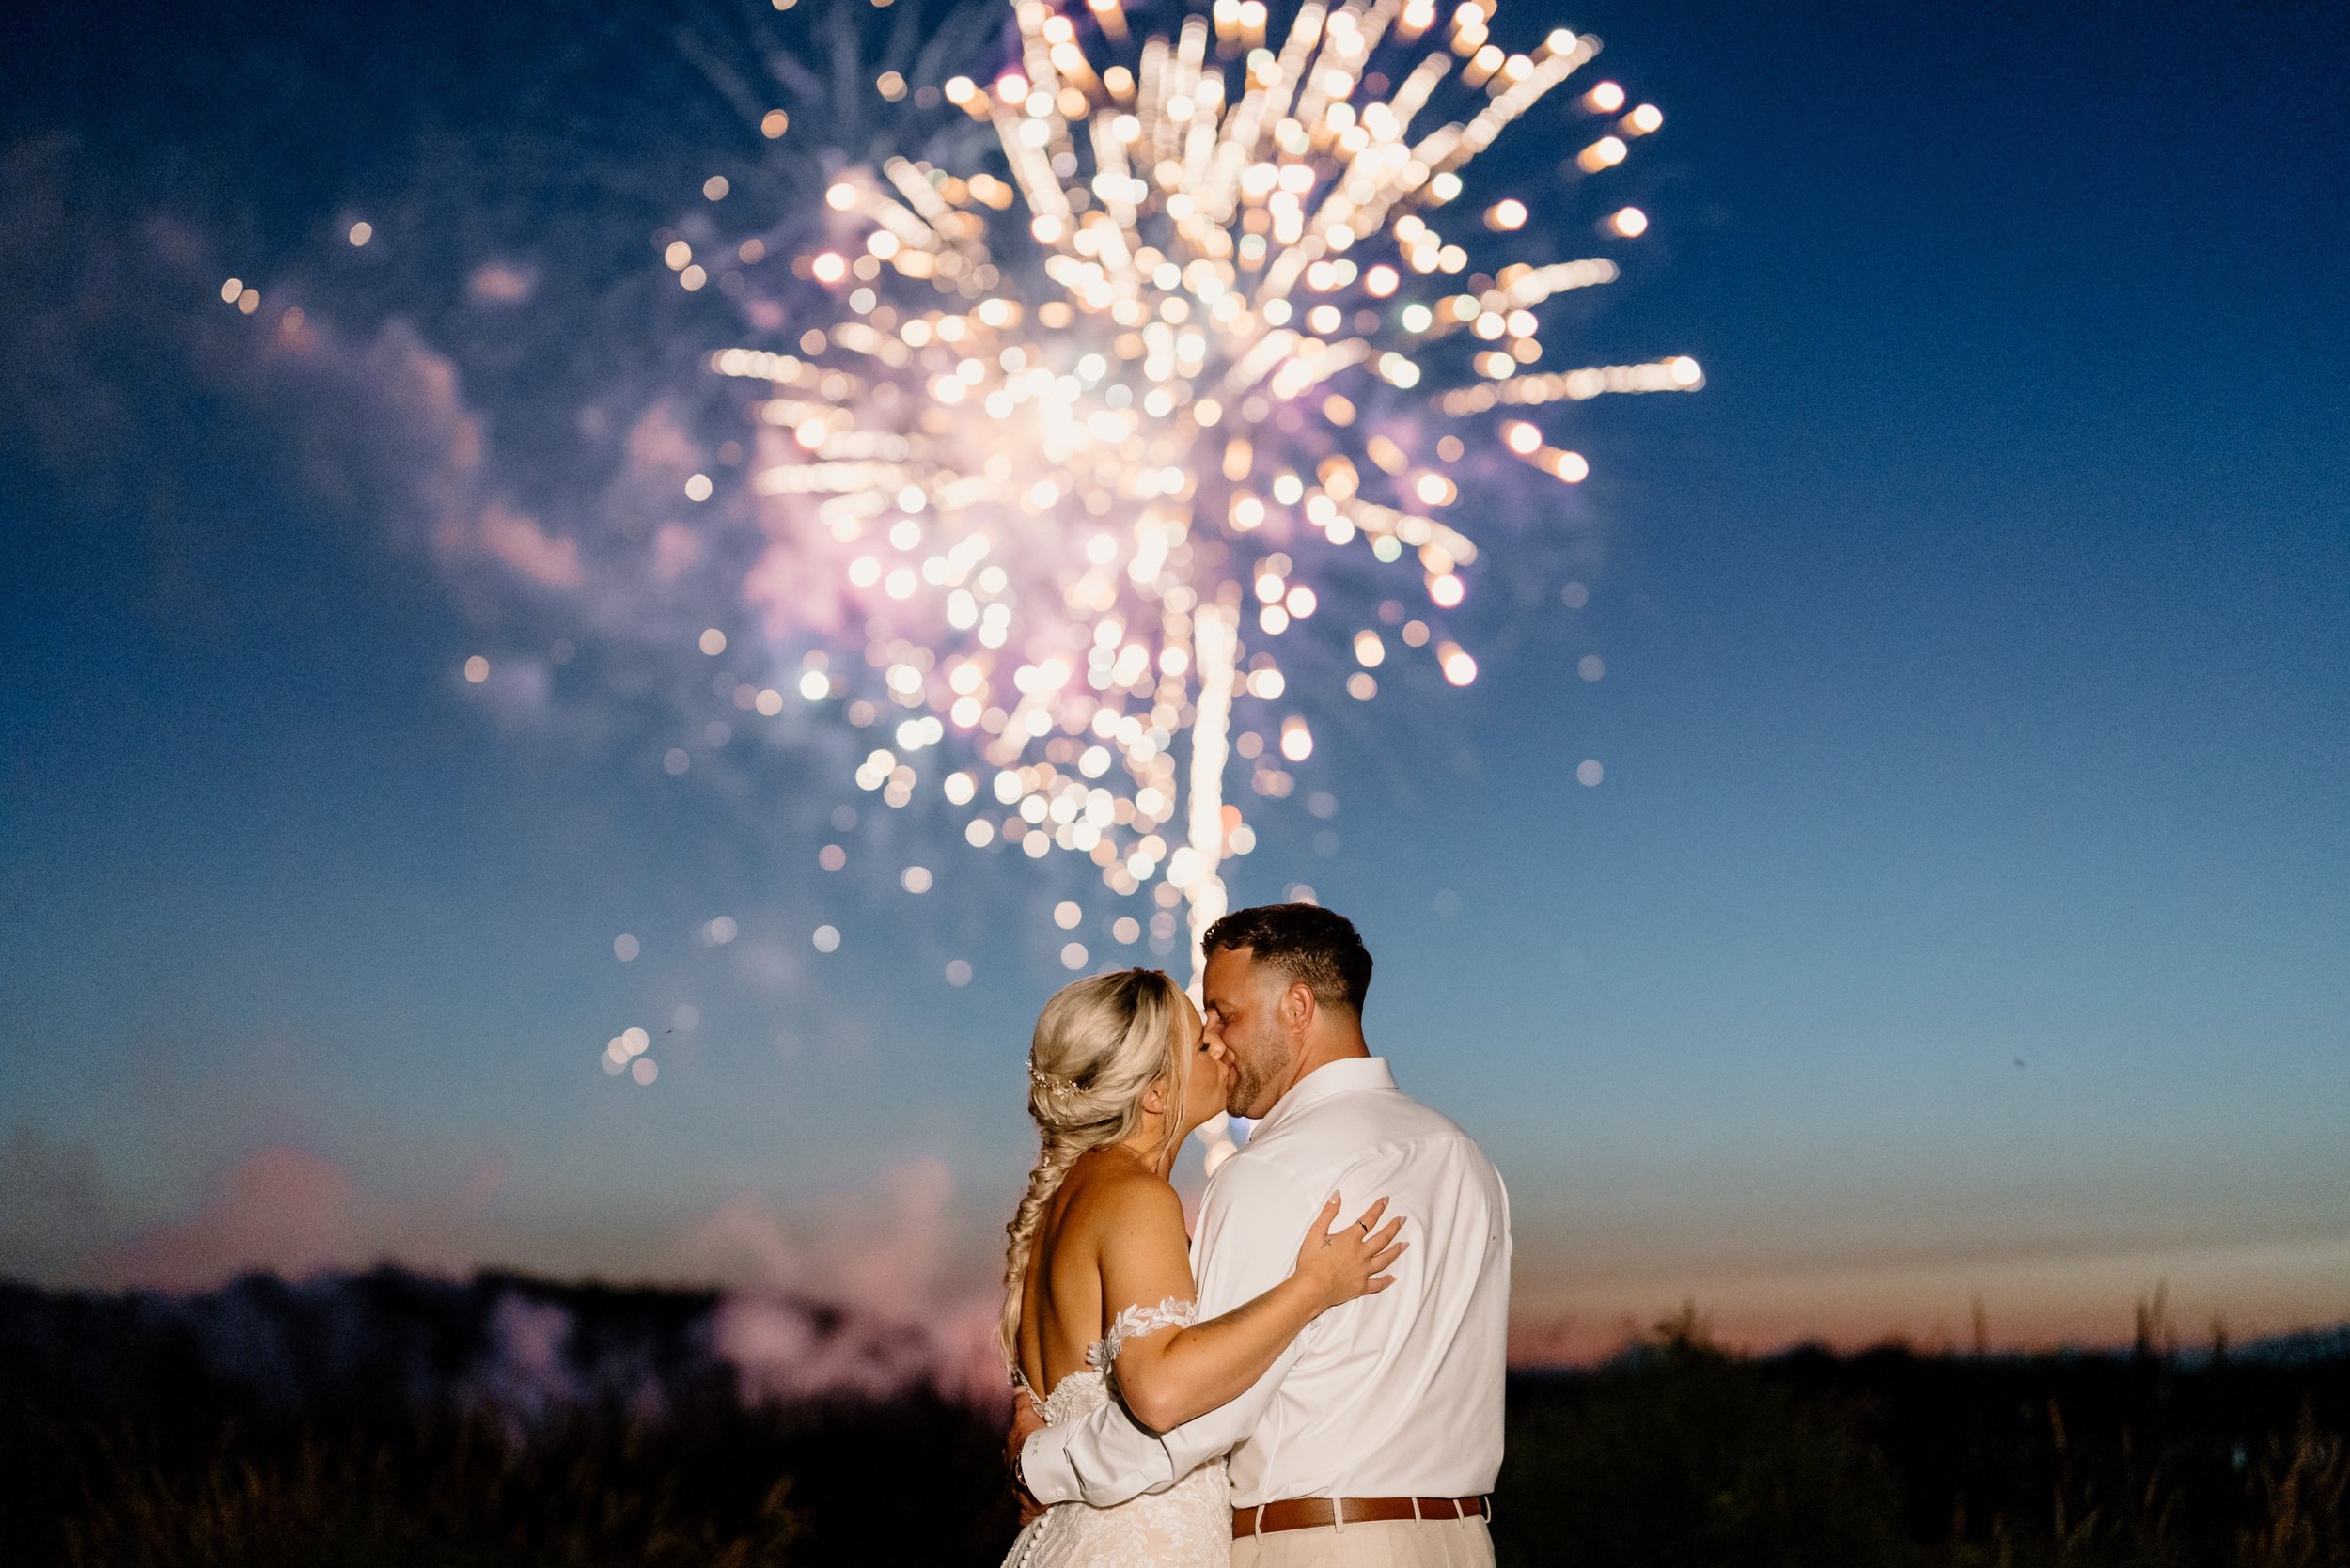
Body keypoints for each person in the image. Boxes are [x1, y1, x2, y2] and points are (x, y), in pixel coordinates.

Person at [1010, 904, 1512, 1568]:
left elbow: (1193, 1417)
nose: (1215, 1039)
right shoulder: (1468, 1160)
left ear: (1297, 1007)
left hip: (1316, 1545)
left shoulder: (1270, 1173)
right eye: (1204, 1027)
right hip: (1465, 1542)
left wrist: (1038, 1464)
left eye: (1224, 1013)